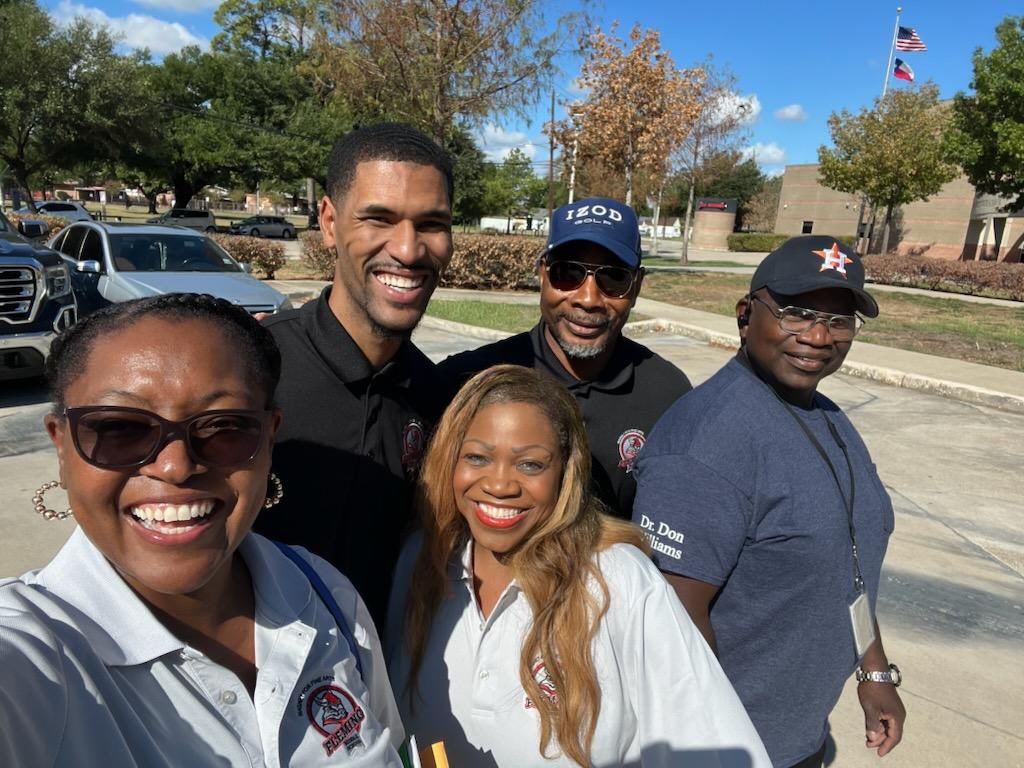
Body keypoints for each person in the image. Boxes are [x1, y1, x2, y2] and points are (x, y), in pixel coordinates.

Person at [0, 294, 405, 766]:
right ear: (63, 448)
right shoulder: (30, 655)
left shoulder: (325, 594)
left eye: (225, 428)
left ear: (269, 439)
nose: (175, 467)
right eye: (119, 428)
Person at [386, 365, 771, 768]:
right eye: (478, 457)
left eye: (530, 464)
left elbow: (709, 745)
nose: (500, 484)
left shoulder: (617, 579)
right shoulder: (422, 561)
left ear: (565, 471)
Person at [632, 236, 906, 768]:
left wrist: (873, 670)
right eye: (797, 313)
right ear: (745, 315)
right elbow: (674, 626)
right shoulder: (706, 444)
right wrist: (720, 750)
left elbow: (850, 561)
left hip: (799, 738)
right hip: (731, 748)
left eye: (841, 319)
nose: (820, 336)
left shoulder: (827, 416)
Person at [255, 123, 454, 630]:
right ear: (328, 221)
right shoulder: (251, 369)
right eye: (378, 218)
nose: (408, 250)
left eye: (431, 224)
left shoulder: (441, 401)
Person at [439, 197, 690, 518]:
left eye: (614, 278)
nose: (588, 299)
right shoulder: (470, 380)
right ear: (542, 274)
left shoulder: (668, 397)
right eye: (568, 273)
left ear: (637, 285)